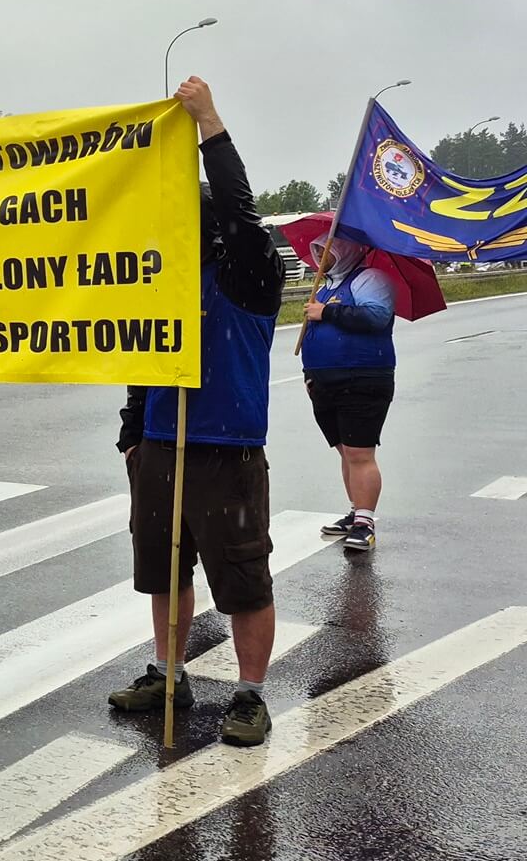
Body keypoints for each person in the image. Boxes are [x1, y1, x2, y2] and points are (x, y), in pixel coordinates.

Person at [112, 77, 285, 748]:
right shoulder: (164, 283)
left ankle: (250, 693)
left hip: (228, 451)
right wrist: (134, 432)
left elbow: (240, 210)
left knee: (243, 579)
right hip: (161, 447)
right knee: (164, 569)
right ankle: (169, 671)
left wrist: (207, 121)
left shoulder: (250, 272)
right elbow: (140, 357)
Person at [301, 234, 397, 552]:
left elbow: (376, 316)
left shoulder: (370, 278)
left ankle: (365, 523)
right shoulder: (325, 286)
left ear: (345, 249)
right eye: (316, 250)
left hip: (362, 378)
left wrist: (325, 313)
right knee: (345, 450)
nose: (319, 256)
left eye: (325, 248)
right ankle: (356, 511)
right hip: (324, 383)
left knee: (359, 453)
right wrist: (310, 374)